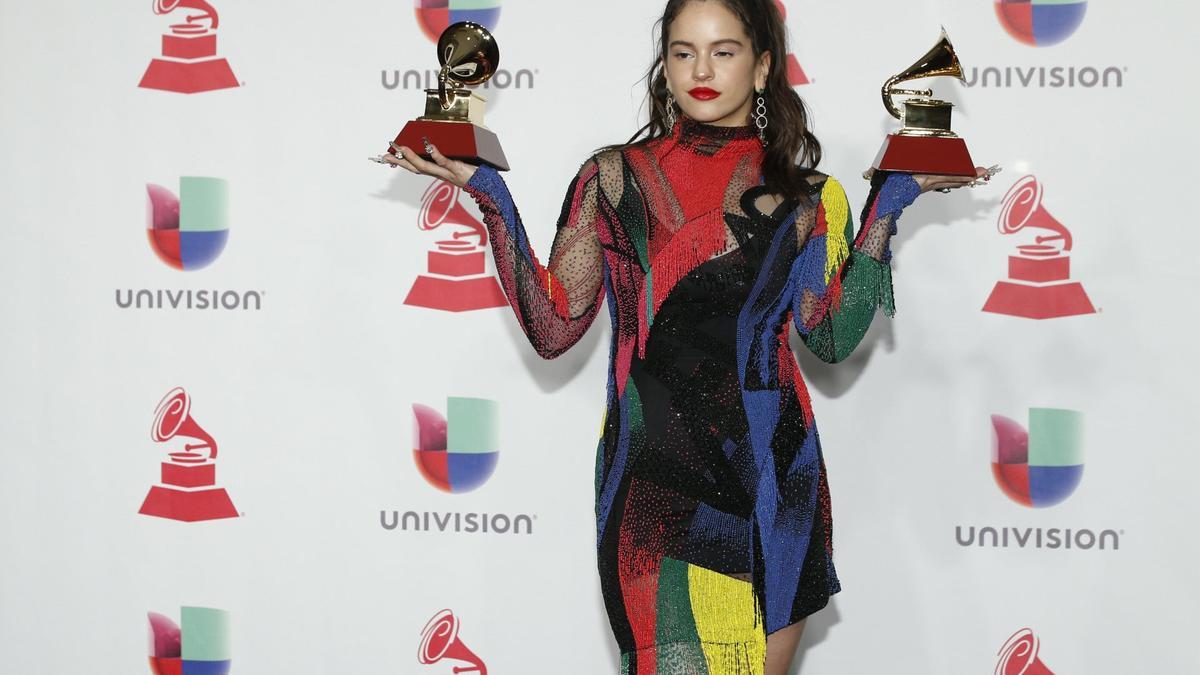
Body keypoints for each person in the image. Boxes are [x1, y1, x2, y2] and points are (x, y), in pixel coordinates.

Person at [379, 1, 988, 672]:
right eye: (682, 51)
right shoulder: (613, 180)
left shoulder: (814, 198)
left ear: (762, 68)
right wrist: (489, 193)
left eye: (724, 52)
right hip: (656, 495)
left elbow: (833, 337)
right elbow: (554, 326)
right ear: (663, 64)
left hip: (777, 487)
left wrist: (889, 205)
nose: (701, 70)